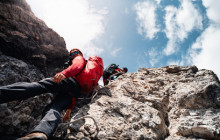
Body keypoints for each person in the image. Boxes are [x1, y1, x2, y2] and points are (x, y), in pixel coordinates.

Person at [0, 48, 104, 140]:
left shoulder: (79, 58)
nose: (73, 54)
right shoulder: (87, 71)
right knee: (55, 107)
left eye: (75, 52)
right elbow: (75, 95)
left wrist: (64, 73)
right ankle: (41, 133)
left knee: (40, 86)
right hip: (75, 91)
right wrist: (69, 110)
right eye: (71, 53)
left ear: (80, 53)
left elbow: (78, 65)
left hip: (69, 80)